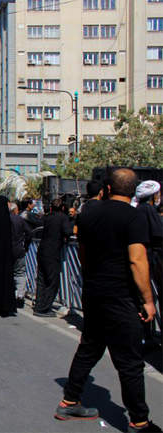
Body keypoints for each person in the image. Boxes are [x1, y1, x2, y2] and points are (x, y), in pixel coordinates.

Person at [55, 169, 160, 433]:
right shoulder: (134, 217)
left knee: (89, 348)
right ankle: (139, 421)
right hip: (121, 296)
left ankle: (69, 400)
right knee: (130, 362)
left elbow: (82, 250)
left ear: (108, 188)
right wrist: (148, 300)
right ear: (133, 191)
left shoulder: (88, 213)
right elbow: (137, 260)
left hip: (94, 291)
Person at [134, 180, 162, 344]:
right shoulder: (148, 210)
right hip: (149, 260)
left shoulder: (139, 209)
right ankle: (146, 336)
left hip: (147, 259)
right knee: (146, 299)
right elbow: (158, 234)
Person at [34, 198, 73, 317]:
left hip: (42, 249)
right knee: (52, 281)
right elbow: (67, 231)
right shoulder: (62, 217)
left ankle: (39, 305)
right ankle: (44, 308)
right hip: (52, 252)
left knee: (41, 280)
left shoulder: (47, 217)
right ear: (62, 208)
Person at [9, 202, 31, 308]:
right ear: (15, 210)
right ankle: (20, 295)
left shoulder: (2, 220)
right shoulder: (20, 220)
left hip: (6, 251)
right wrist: (26, 245)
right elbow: (29, 233)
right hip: (19, 250)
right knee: (20, 273)